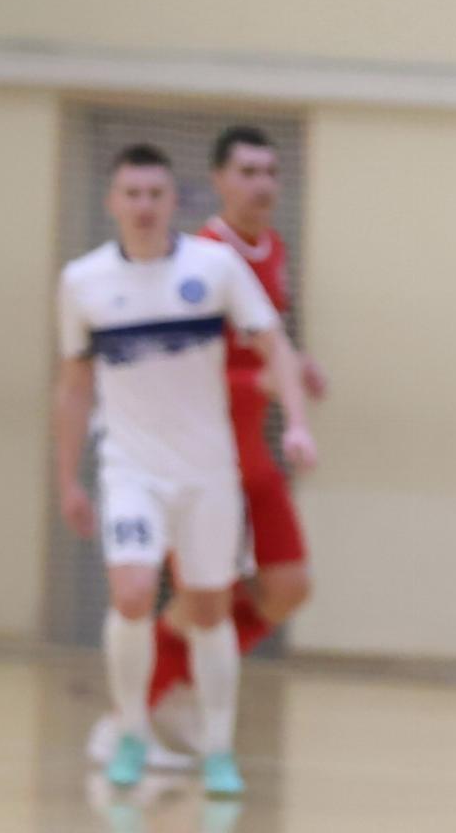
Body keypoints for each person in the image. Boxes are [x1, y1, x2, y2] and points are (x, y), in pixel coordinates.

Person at [56, 143, 316, 797]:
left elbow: (275, 344)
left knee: (209, 608)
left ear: (174, 200)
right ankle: (130, 729)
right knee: (133, 593)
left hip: (208, 469)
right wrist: (67, 479)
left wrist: (298, 422)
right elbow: (73, 386)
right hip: (130, 469)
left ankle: (219, 750)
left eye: (155, 193)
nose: (143, 205)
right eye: (132, 193)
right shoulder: (84, 281)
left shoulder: (214, 267)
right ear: (113, 201)